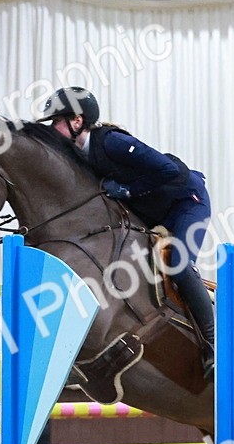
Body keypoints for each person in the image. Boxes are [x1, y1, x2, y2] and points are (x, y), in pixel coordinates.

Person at [38, 86, 215, 378]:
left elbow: (168, 171)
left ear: (77, 121)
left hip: (186, 201)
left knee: (179, 266)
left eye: (56, 121)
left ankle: (213, 344)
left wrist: (128, 190)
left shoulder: (112, 143)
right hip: (153, 208)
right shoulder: (80, 156)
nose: (53, 129)